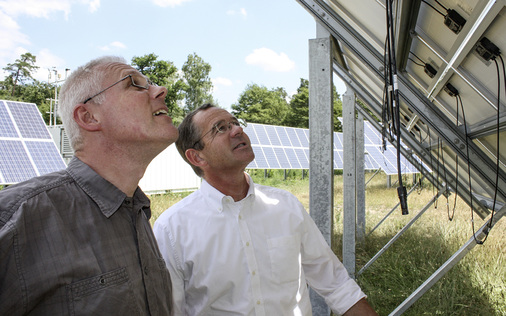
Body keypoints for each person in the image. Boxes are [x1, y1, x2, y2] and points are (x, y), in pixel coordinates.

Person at [153, 103, 377, 315]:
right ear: (197, 156)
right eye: (220, 128)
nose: (237, 130)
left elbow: (334, 281)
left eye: (235, 123)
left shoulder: (285, 206)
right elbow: (172, 309)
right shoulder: (172, 228)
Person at [0, 56, 177, 315]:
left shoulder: (138, 211)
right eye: (134, 84)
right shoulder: (17, 218)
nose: (160, 90)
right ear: (89, 116)